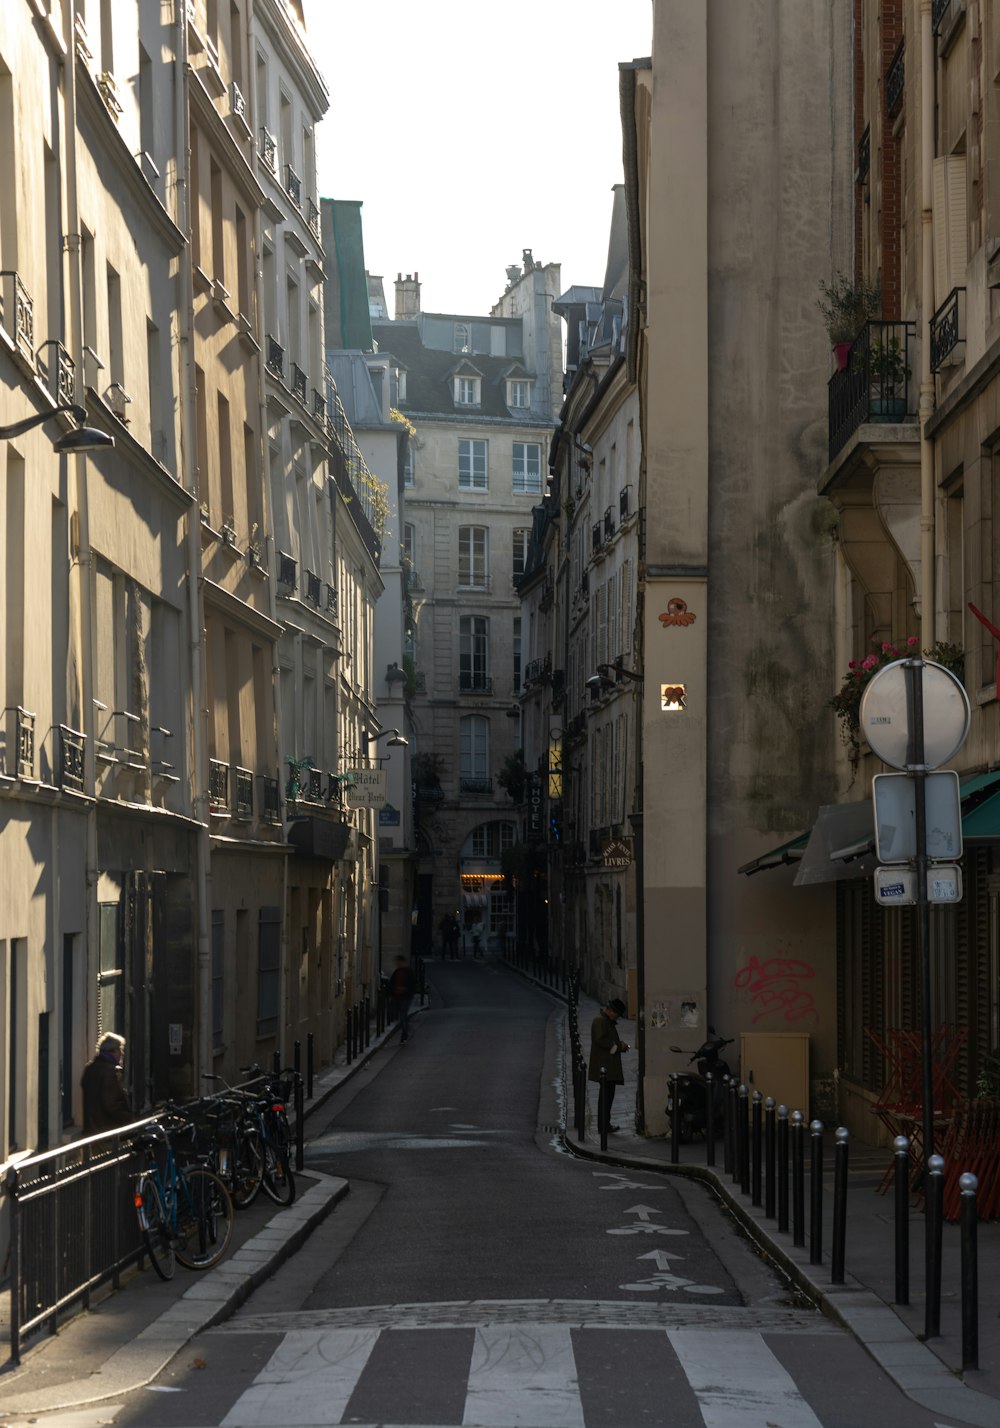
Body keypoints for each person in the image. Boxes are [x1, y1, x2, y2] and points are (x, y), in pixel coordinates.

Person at [588, 998, 630, 1134]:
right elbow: (601, 1040)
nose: (617, 1017)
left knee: (608, 1096)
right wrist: (618, 1046)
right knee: (605, 1097)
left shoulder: (606, 1022)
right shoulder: (600, 1021)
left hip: (607, 1066)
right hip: (604, 1067)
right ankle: (603, 1126)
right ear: (610, 1011)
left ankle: (606, 1124)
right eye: (616, 1014)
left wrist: (619, 1045)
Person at [80, 1032, 132, 1136]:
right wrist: (129, 1121)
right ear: (113, 1051)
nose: (122, 1053)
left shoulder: (90, 1068)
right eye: (120, 1049)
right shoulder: (109, 1071)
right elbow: (111, 1104)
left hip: (93, 1130)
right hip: (108, 1132)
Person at [387, 955, 417, 1043]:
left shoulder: (408, 972)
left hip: (406, 997)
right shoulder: (397, 971)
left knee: (403, 1014)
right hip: (397, 997)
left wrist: (404, 990)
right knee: (398, 1014)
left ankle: (405, 1032)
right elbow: (392, 983)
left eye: (398, 961)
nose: (397, 963)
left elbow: (412, 985)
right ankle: (405, 1029)